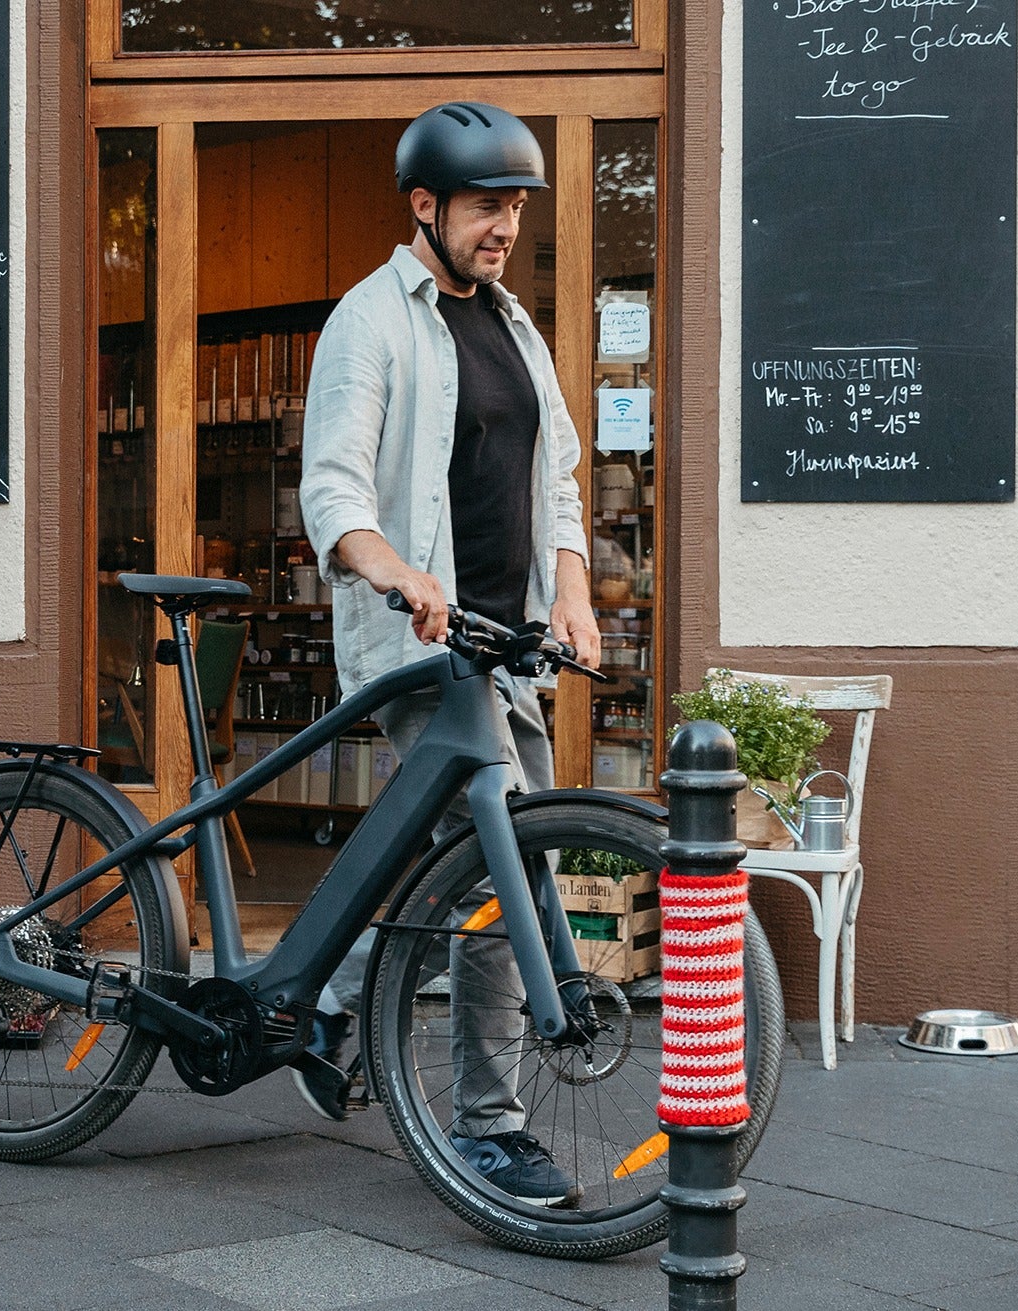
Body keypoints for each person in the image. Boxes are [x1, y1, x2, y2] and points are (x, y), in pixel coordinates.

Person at [294, 102, 600, 1208]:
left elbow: (557, 477)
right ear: (423, 205)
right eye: (484, 205)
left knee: (475, 869)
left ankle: (327, 998)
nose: (504, 226)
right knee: (497, 871)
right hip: (419, 649)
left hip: (503, 647)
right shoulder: (368, 322)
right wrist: (393, 569)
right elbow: (330, 485)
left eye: (514, 206)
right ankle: (489, 1128)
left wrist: (569, 590)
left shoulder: (515, 327)